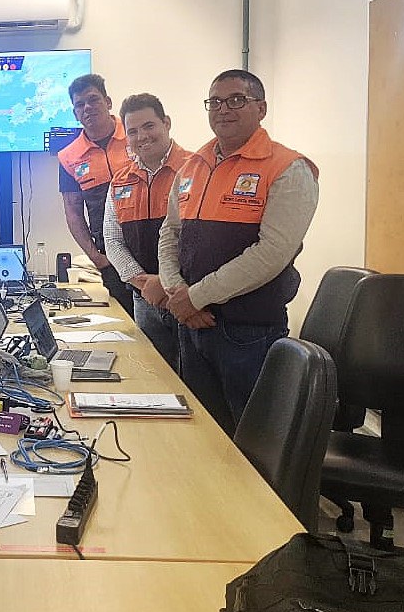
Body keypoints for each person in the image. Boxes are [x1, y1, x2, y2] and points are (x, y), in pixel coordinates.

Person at [157, 69, 319, 435]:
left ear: (261, 108)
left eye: (236, 100)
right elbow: (170, 234)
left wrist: (195, 297)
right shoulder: (192, 166)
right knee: (203, 435)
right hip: (192, 327)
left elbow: (272, 254)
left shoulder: (288, 169)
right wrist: (176, 292)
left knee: (254, 442)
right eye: (214, 102)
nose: (223, 109)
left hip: (248, 333)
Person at [102, 93, 192, 372]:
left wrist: (166, 285)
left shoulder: (195, 170)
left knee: (194, 384)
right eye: (132, 131)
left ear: (166, 123)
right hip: (144, 299)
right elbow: (113, 240)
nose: (142, 136)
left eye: (149, 126)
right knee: (153, 376)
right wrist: (144, 284)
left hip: (188, 298)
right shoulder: (120, 181)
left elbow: (202, 242)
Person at [56, 73, 136, 314]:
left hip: (150, 251)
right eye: (80, 104)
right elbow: (73, 213)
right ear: (75, 113)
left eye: (93, 100)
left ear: (108, 102)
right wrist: (97, 259)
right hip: (109, 257)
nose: (87, 108)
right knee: (129, 325)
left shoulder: (136, 134)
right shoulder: (68, 156)